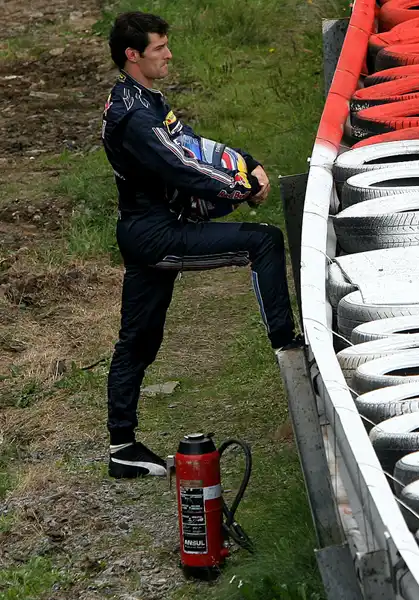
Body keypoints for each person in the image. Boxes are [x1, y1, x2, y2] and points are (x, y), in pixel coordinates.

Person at [101, 11, 298, 479]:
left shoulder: (146, 98)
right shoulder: (132, 113)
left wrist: (245, 162)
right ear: (133, 55)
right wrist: (241, 187)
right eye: (159, 48)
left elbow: (191, 143)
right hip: (154, 234)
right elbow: (180, 168)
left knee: (140, 339)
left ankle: (121, 448)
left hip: (154, 226)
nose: (168, 54)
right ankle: (289, 350)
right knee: (263, 241)